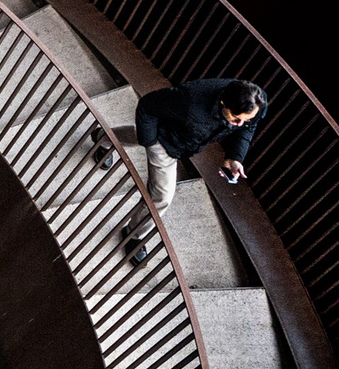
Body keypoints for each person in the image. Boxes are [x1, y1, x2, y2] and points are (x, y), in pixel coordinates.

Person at [94, 78, 266, 264]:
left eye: (244, 119)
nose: (239, 124)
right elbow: (147, 106)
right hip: (165, 142)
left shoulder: (256, 102)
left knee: (137, 134)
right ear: (224, 102)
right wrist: (151, 143)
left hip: (184, 139)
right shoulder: (190, 99)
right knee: (162, 197)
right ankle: (133, 234)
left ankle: (101, 137)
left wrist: (235, 156)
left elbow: (249, 127)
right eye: (235, 119)